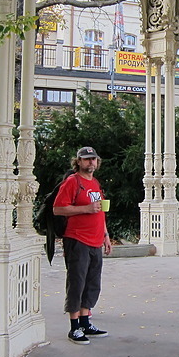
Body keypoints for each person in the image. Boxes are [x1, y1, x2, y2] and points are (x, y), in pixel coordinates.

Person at [53, 146, 112, 345]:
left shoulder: (94, 183)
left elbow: (100, 211)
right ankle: (74, 326)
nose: (91, 163)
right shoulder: (72, 182)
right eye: (86, 159)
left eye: (93, 159)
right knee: (77, 282)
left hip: (95, 239)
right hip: (77, 239)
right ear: (78, 162)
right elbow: (58, 209)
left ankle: (86, 321)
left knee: (92, 282)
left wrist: (105, 234)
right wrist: (85, 208)